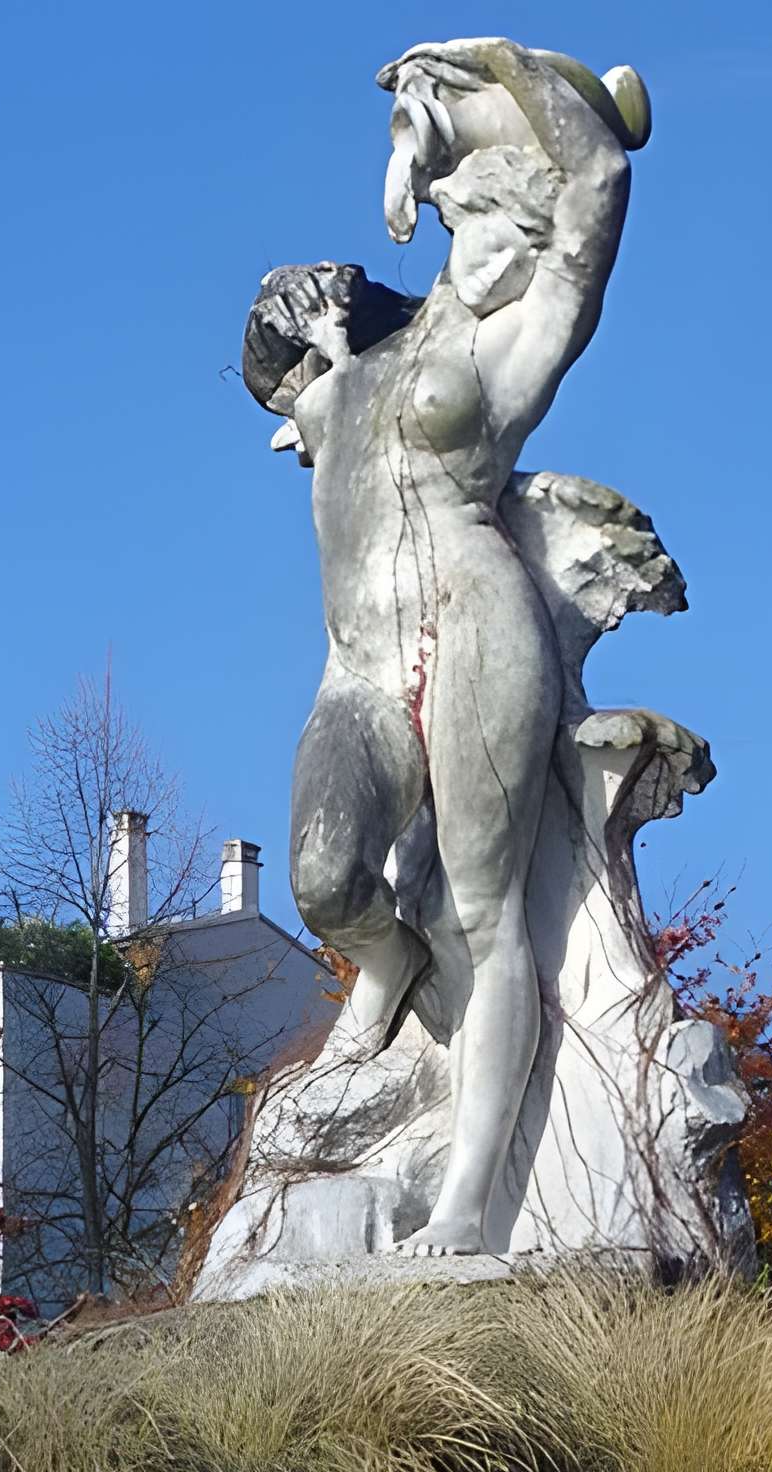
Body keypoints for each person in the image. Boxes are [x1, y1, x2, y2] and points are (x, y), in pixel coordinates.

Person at [240, 38, 648, 1257]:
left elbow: (601, 188)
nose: (485, 252)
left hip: (473, 629)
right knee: (322, 879)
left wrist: (491, 68)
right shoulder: (349, 373)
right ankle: (386, 965)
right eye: (469, 228)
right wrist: (417, 152)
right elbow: (264, 347)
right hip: (359, 671)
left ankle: (471, 1199)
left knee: (488, 918)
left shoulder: (511, 351)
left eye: (505, 234)